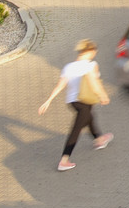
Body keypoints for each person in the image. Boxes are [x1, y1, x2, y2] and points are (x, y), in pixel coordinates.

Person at [37, 40, 111, 172]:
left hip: (73, 102)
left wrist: (48, 100)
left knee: (89, 118)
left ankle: (99, 139)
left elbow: (61, 85)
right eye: (94, 51)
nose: (95, 54)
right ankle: (64, 160)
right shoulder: (92, 65)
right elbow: (95, 83)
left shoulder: (68, 67)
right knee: (76, 129)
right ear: (89, 51)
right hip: (85, 100)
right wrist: (103, 95)